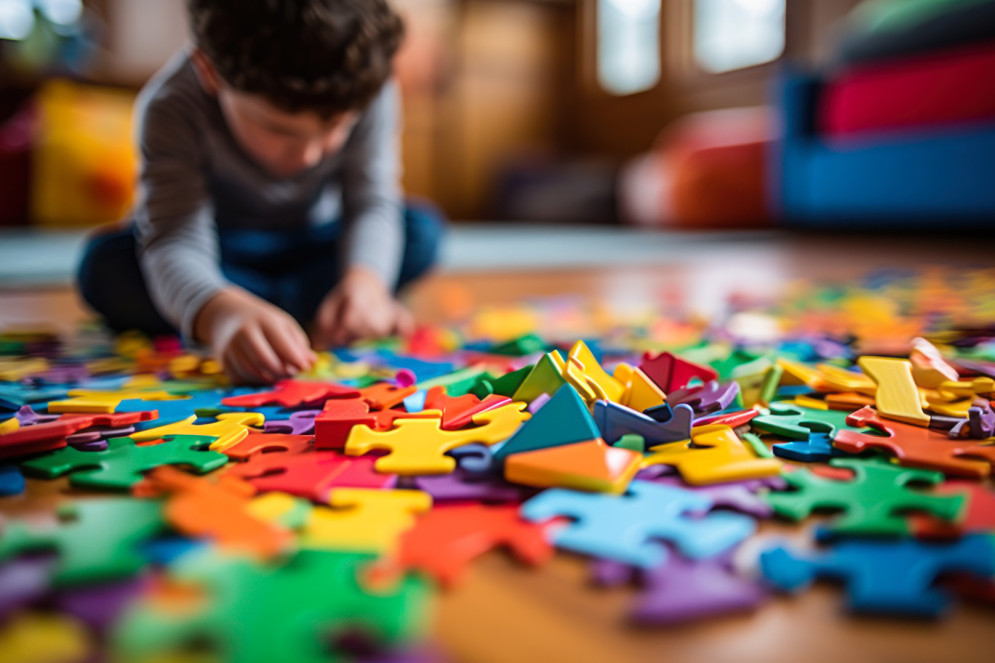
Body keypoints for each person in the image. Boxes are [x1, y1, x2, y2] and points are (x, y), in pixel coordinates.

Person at [76, 0, 444, 384]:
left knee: (420, 231)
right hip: (222, 252)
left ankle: (319, 309)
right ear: (210, 71)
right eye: (281, 130)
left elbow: (371, 202)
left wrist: (366, 283)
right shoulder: (171, 105)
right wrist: (218, 310)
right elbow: (175, 238)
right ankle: (285, 313)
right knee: (106, 267)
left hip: (315, 243)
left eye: (337, 125)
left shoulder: (367, 82)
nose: (310, 154)